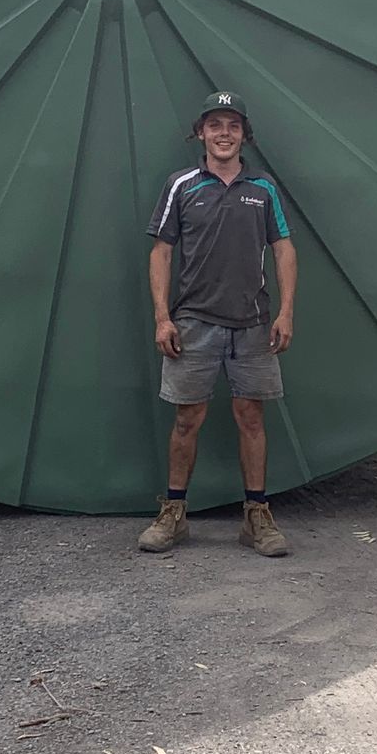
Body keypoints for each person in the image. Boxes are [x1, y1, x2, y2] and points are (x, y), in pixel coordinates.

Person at [138, 92, 297, 557]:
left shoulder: (263, 188)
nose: (223, 133)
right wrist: (163, 317)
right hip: (193, 323)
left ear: (244, 134)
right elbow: (161, 250)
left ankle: (256, 517)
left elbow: (283, 247)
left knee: (251, 417)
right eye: (214, 125)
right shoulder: (181, 185)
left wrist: (286, 311)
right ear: (200, 133)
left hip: (253, 324)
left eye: (232, 125)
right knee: (187, 419)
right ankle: (173, 515)